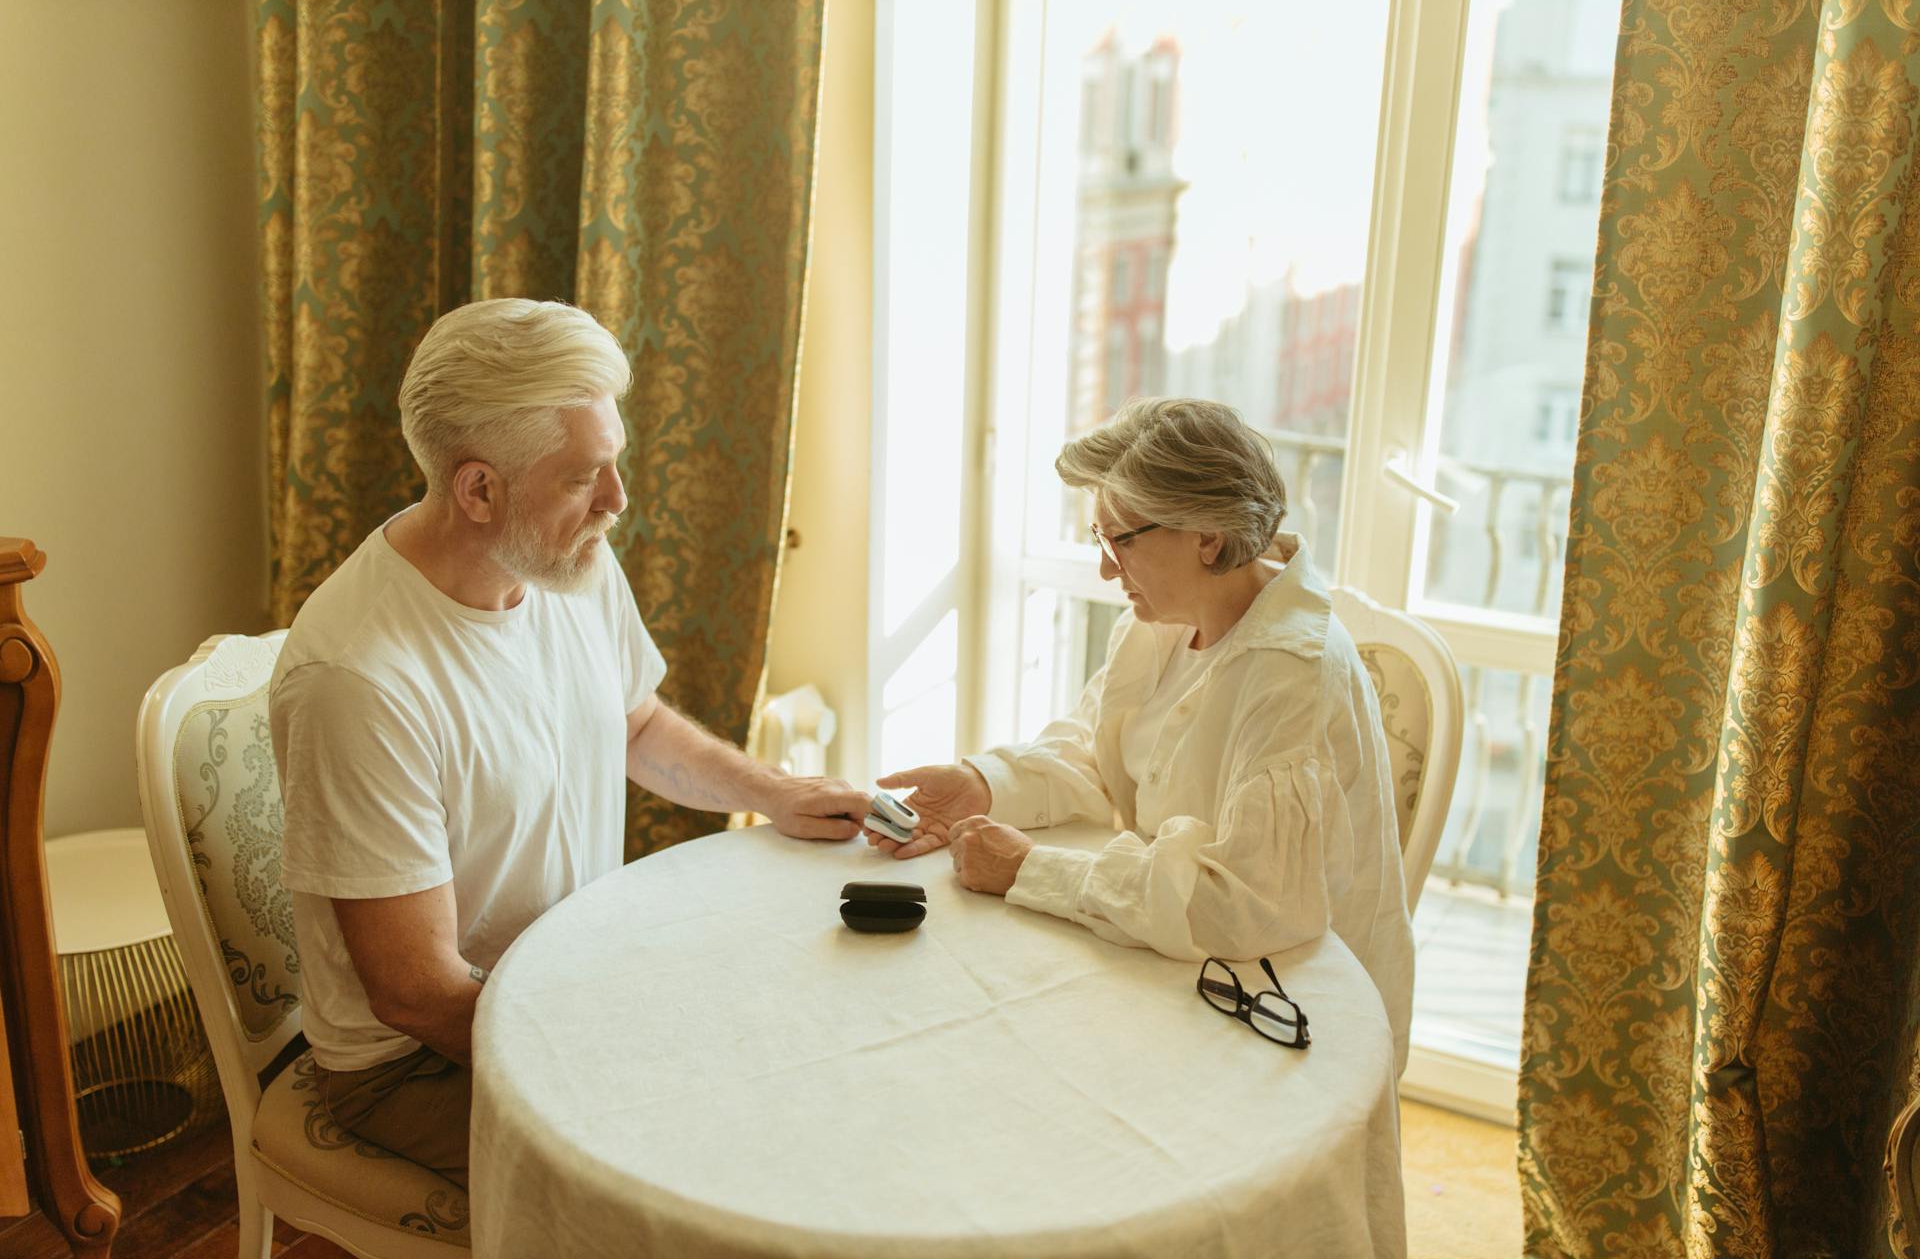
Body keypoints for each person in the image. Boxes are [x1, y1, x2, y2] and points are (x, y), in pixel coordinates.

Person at [269, 298, 870, 1190]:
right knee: (725, 1163)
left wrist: (775, 791)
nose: (618, 502)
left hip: (571, 968)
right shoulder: (358, 680)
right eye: (586, 475)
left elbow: (634, 722)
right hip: (420, 1061)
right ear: (479, 489)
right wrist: (623, 1063)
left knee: (804, 1052)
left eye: (614, 463)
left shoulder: (563, 561)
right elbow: (416, 993)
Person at [869, 397, 1414, 1066]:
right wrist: (983, 783)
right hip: (1178, 968)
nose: (1105, 568)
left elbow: (1241, 905)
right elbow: (1100, 751)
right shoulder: (1165, 619)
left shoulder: (1288, 672)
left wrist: (1032, 871)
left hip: (1285, 1012)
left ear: (1207, 538)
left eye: (1119, 541)